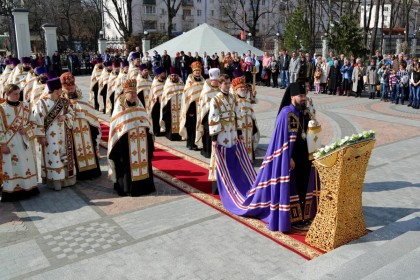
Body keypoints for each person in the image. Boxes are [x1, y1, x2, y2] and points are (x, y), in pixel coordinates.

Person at [214, 82, 319, 232]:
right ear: (292, 96)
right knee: (292, 188)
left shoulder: (305, 112)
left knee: (304, 186)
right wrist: (287, 158)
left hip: (305, 158)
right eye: (300, 96)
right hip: (290, 160)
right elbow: (281, 141)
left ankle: (305, 215)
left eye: (305, 95)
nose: (303, 98)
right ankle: (292, 217)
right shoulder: (286, 113)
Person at [107, 79, 155, 197]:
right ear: (125, 93)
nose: (134, 95)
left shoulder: (139, 104)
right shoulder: (119, 108)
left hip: (141, 143)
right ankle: (128, 188)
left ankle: (145, 187)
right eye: (131, 93)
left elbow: (146, 122)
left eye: (135, 93)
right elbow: (116, 130)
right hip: (125, 146)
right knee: (125, 165)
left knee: (144, 162)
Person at [33, 77, 76, 190]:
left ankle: (66, 180)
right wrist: (41, 137)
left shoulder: (64, 102)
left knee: (64, 157)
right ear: (56, 90)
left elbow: (72, 114)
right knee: (53, 157)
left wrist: (65, 116)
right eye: (60, 89)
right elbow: (37, 121)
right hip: (49, 138)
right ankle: (55, 182)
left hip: (64, 135)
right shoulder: (41, 103)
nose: (62, 91)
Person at [0, 84, 39, 202]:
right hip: (9, 143)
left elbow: (33, 122)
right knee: (11, 167)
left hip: (24, 141)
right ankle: (12, 191)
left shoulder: (26, 106)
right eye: (15, 94)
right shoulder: (1, 108)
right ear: (7, 94)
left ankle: (28, 188)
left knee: (25, 164)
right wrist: (3, 145)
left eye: (19, 93)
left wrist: (26, 129)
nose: (18, 96)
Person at [60, 72, 102, 180]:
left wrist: (93, 128)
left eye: (72, 87)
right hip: (71, 131)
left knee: (89, 147)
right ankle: (79, 174)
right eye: (67, 88)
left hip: (86, 130)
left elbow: (91, 113)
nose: (70, 90)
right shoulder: (60, 102)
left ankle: (92, 171)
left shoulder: (82, 99)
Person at [208, 74, 243, 194]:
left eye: (229, 83)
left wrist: (239, 132)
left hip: (232, 131)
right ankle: (218, 185)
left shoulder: (233, 97)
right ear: (219, 84)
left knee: (232, 155)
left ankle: (232, 181)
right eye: (225, 83)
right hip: (221, 132)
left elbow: (238, 113)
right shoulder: (215, 99)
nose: (228, 86)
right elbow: (213, 117)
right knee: (220, 156)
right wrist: (214, 138)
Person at [231, 76, 259, 161]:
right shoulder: (233, 101)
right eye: (240, 87)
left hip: (249, 127)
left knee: (249, 142)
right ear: (236, 89)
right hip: (239, 129)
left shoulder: (247, 100)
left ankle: (249, 159)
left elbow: (252, 113)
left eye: (244, 87)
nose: (243, 89)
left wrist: (254, 124)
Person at [179, 61, 205, 150]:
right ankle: (191, 144)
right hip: (192, 109)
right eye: (196, 70)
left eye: (199, 70)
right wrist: (190, 111)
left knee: (200, 126)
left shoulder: (203, 82)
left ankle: (199, 143)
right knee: (191, 127)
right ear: (192, 72)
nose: (197, 72)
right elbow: (186, 98)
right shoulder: (189, 82)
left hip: (201, 109)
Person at [195, 68, 220, 158]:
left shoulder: (220, 90)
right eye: (215, 81)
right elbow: (203, 108)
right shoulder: (206, 92)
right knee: (207, 134)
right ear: (211, 81)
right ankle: (207, 151)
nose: (217, 82)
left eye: (218, 80)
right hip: (207, 117)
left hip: (219, 117)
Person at [160, 67, 184, 141]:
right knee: (170, 120)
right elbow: (165, 97)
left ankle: (180, 134)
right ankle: (170, 135)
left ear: (178, 76)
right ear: (170, 76)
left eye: (175, 75)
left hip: (180, 106)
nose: (174, 77)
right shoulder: (168, 84)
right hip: (170, 107)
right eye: (172, 75)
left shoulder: (181, 83)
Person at [149, 67, 166, 136]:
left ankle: (163, 130)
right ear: (158, 75)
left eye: (164, 73)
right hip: (156, 103)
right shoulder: (155, 83)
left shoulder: (165, 82)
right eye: (162, 73)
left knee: (163, 117)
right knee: (156, 117)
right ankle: (156, 131)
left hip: (163, 103)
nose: (164, 74)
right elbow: (153, 94)